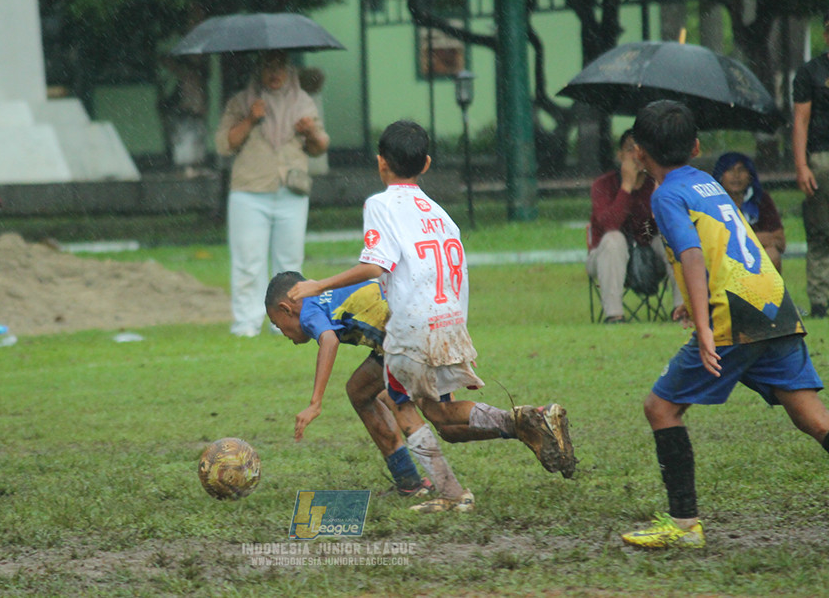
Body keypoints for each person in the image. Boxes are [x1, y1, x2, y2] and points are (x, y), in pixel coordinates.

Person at [287, 120, 576, 513]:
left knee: (400, 403)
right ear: (425, 163)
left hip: (411, 326)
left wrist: (317, 285)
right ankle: (528, 419)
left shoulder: (381, 204)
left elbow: (375, 266)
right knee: (440, 413)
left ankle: (451, 492)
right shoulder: (441, 214)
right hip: (449, 322)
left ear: (380, 163)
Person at [621, 100, 829, 549]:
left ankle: (684, 527)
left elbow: (694, 255)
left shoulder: (666, 194)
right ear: (696, 146)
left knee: (661, 408)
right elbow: (727, 249)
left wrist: (703, 322)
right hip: (772, 300)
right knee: (813, 418)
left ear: (638, 151)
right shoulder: (706, 183)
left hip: (733, 312)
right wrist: (697, 305)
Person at [267, 271, 487, 510]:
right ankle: (409, 482)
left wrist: (315, 402)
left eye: (279, 325)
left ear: (286, 309)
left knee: (447, 424)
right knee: (360, 391)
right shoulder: (322, 297)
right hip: (408, 332)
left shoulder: (308, 310)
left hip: (408, 339)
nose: (284, 334)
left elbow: (329, 340)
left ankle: (516, 423)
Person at [215, 49, 330, 337]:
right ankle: (246, 322)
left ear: (290, 71)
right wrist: (251, 118)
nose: (275, 74)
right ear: (259, 71)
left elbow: (319, 146)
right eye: (268, 67)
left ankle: (285, 323)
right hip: (249, 190)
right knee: (247, 261)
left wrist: (311, 132)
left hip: (291, 190)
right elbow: (225, 144)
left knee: (289, 262)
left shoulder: (302, 101)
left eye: (280, 67)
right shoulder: (243, 101)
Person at [587, 128, 682, 323]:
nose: (636, 155)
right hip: (606, 257)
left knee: (674, 241)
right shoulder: (603, 185)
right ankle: (615, 316)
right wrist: (627, 186)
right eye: (630, 149)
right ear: (620, 154)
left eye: (642, 149)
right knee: (614, 240)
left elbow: (666, 226)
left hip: (649, 254)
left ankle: (681, 311)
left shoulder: (655, 183)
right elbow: (609, 225)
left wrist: (660, 194)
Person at [793, 11, 829, 318]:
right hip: (821, 158)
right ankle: (820, 300)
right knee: (819, 231)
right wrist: (801, 164)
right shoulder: (811, 73)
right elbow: (801, 120)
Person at [712, 151, 786, 272]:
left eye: (741, 170)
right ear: (720, 175)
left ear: (750, 175)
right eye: (730, 170)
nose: (736, 175)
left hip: (754, 256)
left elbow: (779, 241)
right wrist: (755, 238)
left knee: (772, 254)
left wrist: (738, 240)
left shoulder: (761, 199)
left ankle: (769, 290)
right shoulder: (712, 202)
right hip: (720, 258)